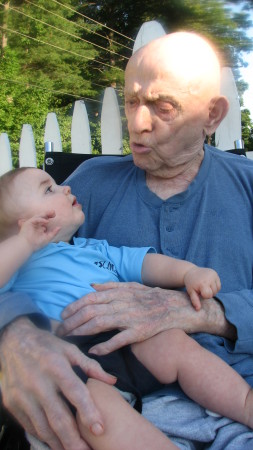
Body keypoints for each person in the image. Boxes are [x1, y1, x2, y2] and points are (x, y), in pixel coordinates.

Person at [1, 30, 253, 450]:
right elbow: (18, 256)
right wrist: (13, 335)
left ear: (212, 115)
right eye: (132, 101)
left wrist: (206, 313)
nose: (137, 122)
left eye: (162, 106)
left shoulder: (248, 187)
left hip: (235, 406)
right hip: (112, 400)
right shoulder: (89, 185)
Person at [3, 167, 253, 450]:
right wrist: (22, 242)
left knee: (172, 342)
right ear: (22, 223)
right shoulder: (19, 261)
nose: (66, 188)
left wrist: (188, 273)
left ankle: (244, 403)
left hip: (124, 338)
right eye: (49, 189)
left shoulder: (92, 248)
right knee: (88, 403)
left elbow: (143, 264)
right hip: (71, 356)